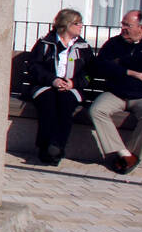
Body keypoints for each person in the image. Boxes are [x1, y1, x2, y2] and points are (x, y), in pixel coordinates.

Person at [89, 9, 142, 174]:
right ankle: (120, 153)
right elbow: (99, 67)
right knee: (97, 110)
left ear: (141, 28)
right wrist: (128, 71)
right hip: (117, 93)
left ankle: (131, 155)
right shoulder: (114, 44)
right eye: (122, 24)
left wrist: (119, 64)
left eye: (128, 25)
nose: (123, 28)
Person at [24, 9, 92, 165]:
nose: (81, 26)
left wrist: (73, 83)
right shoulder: (45, 43)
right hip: (46, 85)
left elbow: (89, 73)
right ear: (66, 24)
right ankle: (45, 147)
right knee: (48, 105)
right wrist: (52, 80)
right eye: (77, 23)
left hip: (71, 87)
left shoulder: (83, 47)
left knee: (66, 104)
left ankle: (56, 147)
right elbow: (34, 66)